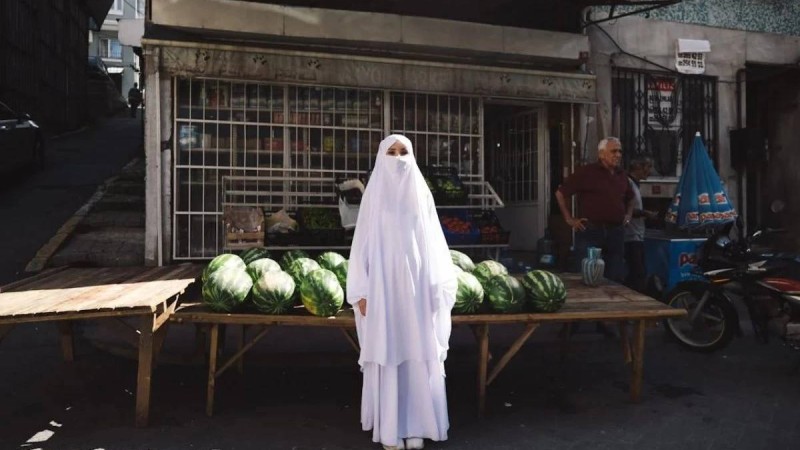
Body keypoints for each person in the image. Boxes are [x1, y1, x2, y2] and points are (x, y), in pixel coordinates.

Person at [347, 134, 457, 450]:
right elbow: (360, 249)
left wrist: (439, 285)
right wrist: (361, 291)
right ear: (382, 158)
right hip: (382, 291)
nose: (398, 159)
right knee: (388, 350)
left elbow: (435, 243)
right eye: (391, 153)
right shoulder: (372, 200)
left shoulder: (422, 197)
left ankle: (419, 424)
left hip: (418, 289)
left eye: (403, 152)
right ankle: (392, 427)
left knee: (418, 350)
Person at [555, 136, 635, 283]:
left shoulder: (621, 174)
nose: (618, 155)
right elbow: (560, 193)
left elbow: (631, 197)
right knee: (587, 276)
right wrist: (569, 219)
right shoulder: (587, 172)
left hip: (615, 232)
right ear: (601, 154)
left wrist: (628, 215)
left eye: (620, 151)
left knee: (615, 276)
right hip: (591, 231)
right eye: (613, 151)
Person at [625, 157, 658, 293]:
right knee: (637, 273)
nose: (650, 171)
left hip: (637, 235)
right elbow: (628, 208)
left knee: (639, 272)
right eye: (648, 167)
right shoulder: (628, 184)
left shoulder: (635, 184)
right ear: (638, 167)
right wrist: (646, 213)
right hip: (630, 236)